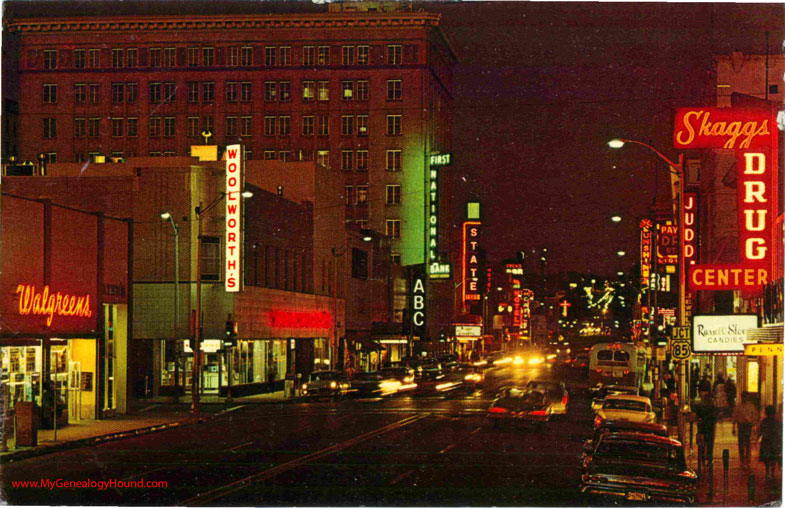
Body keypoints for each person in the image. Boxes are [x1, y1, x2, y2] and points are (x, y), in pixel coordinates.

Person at [732, 392, 759, 465]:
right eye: (743, 397)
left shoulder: (750, 406)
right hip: (741, 425)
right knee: (741, 442)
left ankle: (747, 459)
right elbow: (735, 416)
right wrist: (733, 427)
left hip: (747, 425)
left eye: (745, 397)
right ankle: (742, 459)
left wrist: (753, 424)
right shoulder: (739, 406)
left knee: (747, 442)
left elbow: (754, 415)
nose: (744, 398)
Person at [694, 389, 718, 467]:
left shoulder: (700, 405)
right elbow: (715, 416)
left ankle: (702, 457)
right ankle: (709, 458)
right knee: (710, 443)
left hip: (701, 427)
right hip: (710, 426)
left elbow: (697, 415)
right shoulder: (712, 406)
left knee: (702, 443)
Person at [758, 405, 782, 479]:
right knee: (774, 456)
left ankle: (767, 472)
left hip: (766, 441)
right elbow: (780, 431)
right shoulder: (777, 422)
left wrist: (758, 438)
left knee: (767, 458)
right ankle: (772, 473)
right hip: (775, 441)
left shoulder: (764, 421)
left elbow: (761, 430)